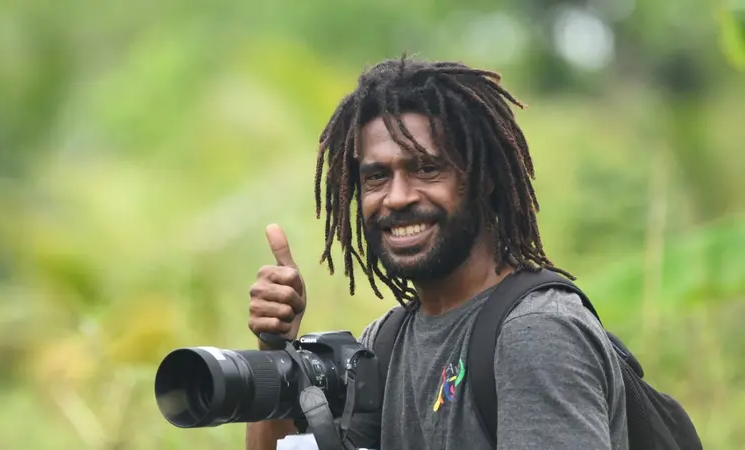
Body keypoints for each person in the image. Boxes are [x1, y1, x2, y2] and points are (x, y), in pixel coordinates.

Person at [245, 57, 628, 450]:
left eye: (426, 169)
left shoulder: (536, 333)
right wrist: (276, 356)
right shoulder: (386, 344)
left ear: (484, 178)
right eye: (377, 177)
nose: (397, 197)